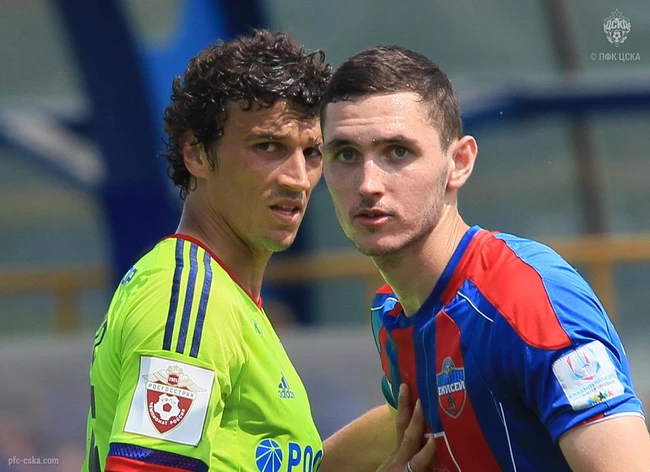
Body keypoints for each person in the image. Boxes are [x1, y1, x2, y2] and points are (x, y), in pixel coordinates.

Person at [319, 44, 650, 471]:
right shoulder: (390, 310)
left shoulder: (525, 298)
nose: (368, 183)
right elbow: (414, 415)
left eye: (398, 152)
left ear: (459, 162)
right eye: (346, 154)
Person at [81, 30, 332, 472]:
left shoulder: (227, 298)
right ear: (196, 154)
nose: (297, 178)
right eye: (268, 146)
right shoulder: (189, 295)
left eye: (312, 152)